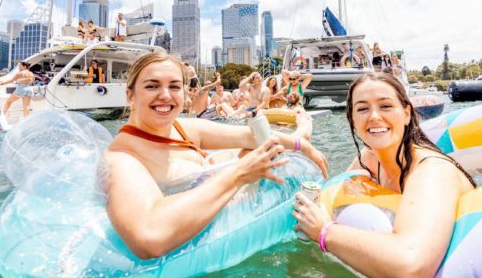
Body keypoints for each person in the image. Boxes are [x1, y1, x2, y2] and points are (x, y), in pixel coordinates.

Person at [101, 51, 328, 259]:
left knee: (252, 147)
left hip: (235, 206)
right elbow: (149, 239)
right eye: (152, 86)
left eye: (174, 86)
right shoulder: (122, 158)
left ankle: (302, 131)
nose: (165, 95)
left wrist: (303, 145)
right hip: (198, 243)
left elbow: (249, 136)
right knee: (247, 155)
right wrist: (241, 173)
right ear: (130, 95)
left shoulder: (183, 128)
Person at [292, 72, 475, 278]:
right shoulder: (369, 159)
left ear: (407, 114)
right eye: (362, 109)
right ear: (352, 119)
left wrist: (324, 232)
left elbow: (412, 267)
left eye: (386, 106)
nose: (374, 116)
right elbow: (332, 200)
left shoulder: (433, 171)